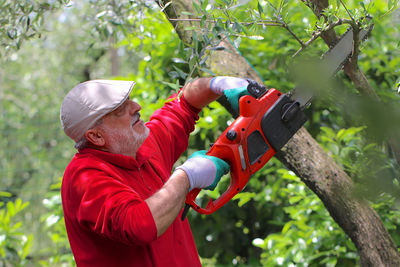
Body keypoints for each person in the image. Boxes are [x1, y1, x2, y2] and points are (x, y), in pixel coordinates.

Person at [60, 77, 249, 266]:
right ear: (96, 136)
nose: (136, 107)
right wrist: (187, 176)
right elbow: (139, 226)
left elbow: (183, 105)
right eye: (120, 110)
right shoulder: (84, 177)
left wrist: (218, 83)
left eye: (129, 100)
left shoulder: (141, 147)